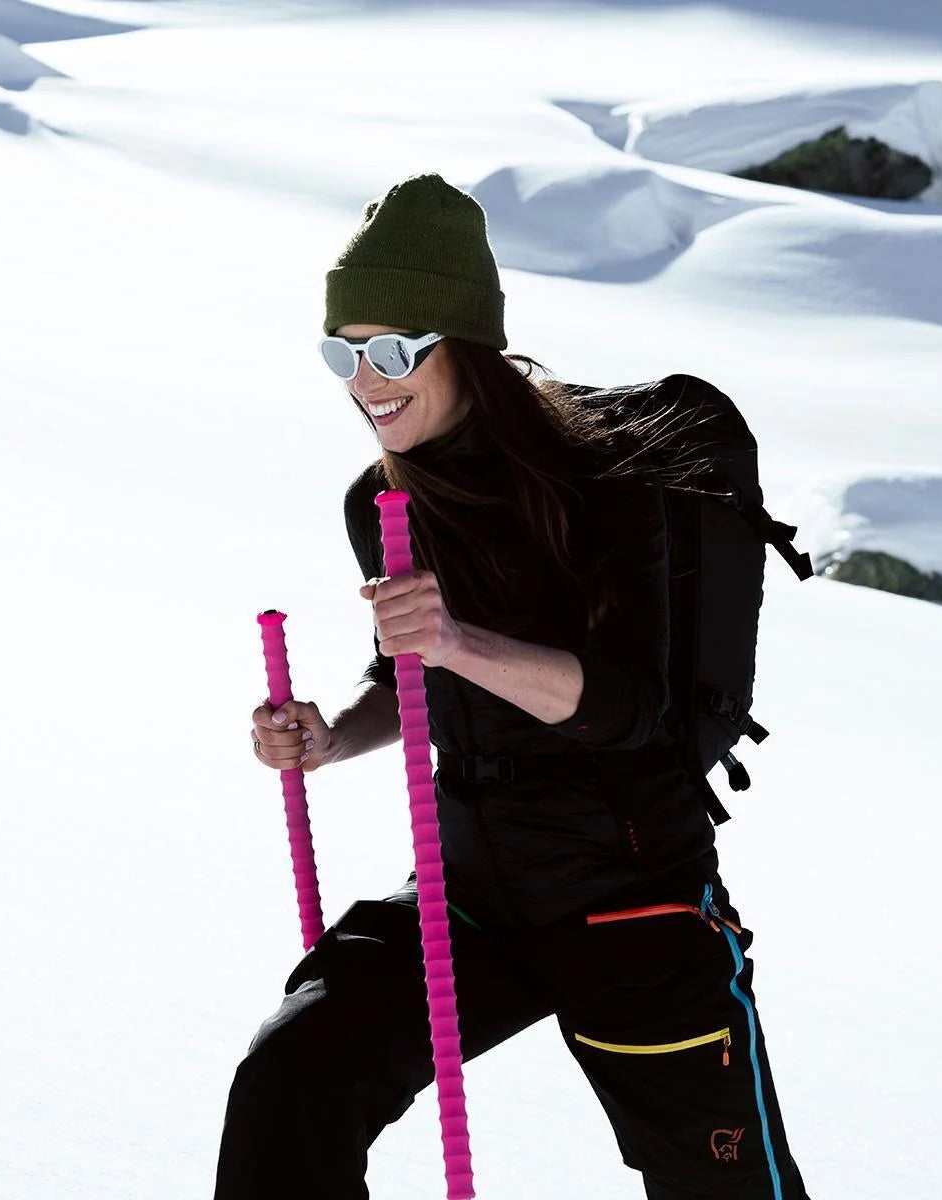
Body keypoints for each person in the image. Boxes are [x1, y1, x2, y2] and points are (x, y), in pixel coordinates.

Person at [214, 173, 811, 1200]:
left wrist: (457, 638)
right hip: (473, 891)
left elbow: (636, 711)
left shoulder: (605, 490)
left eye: (394, 349)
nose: (366, 380)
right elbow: (403, 672)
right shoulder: (387, 501)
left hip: (628, 895)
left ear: (467, 347)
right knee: (291, 1079)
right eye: (342, 352)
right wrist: (330, 737)